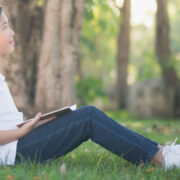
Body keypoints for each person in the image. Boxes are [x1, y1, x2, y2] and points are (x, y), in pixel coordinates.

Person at [0, 7, 179, 171]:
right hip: (14, 153)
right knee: (88, 117)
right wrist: (21, 132)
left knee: (80, 116)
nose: (12, 32)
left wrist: (35, 124)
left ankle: (160, 150)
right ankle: (162, 158)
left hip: (18, 143)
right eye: (5, 27)